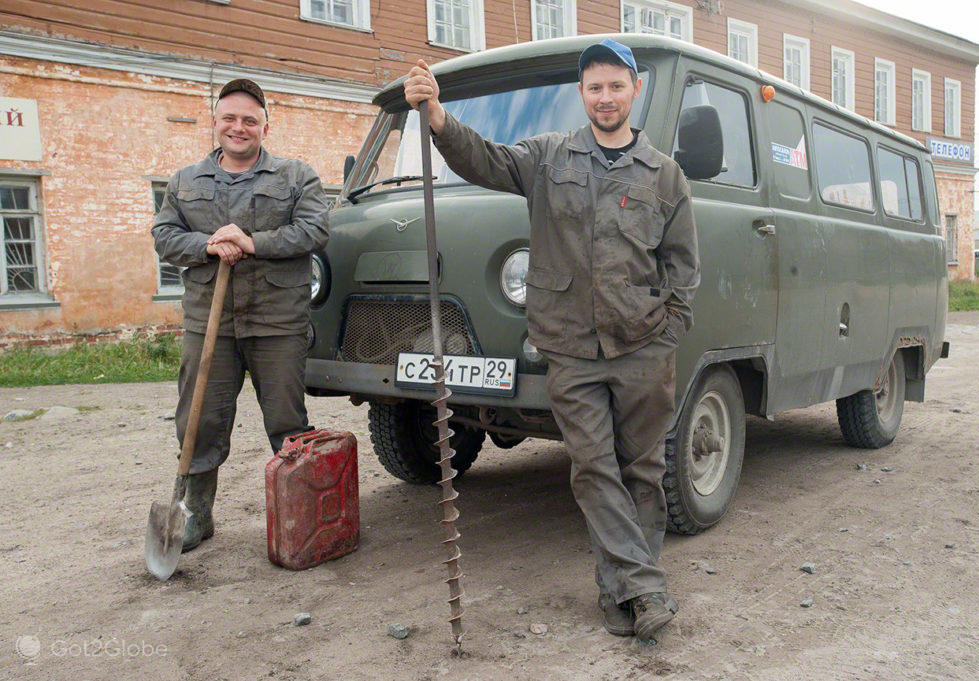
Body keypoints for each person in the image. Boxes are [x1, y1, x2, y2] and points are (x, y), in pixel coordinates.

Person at [403, 38, 700, 640]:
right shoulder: (549, 157)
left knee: (641, 469)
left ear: (634, 90)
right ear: (582, 93)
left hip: (643, 347)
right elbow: (481, 159)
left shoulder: (665, 175)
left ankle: (621, 591)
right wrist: (436, 117)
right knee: (593, 468)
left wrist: (668, 334)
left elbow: (683, 268)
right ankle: (645, 590)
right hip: (570, 349)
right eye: (595, 86)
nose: (606, 96)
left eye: (617, 85)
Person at [152, 78, 329, 552]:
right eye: (229, 118)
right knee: (199, 419)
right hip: (209, 322)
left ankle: (301, 515)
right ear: (214, 122)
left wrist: (254, 243)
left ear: (265, 126)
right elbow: (165, 236)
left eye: (250, 119)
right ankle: (195, 514)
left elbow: (315, 229)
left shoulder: (296, 176)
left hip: (277, 322)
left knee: (288, 423)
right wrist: (207, 244)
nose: (239, 127)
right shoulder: (185, 181)